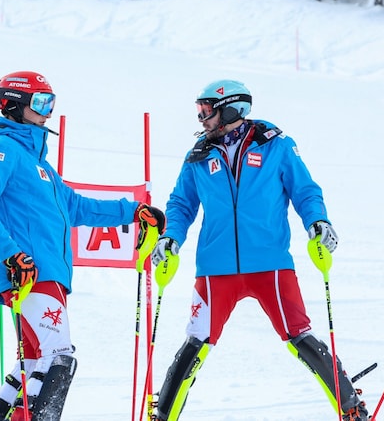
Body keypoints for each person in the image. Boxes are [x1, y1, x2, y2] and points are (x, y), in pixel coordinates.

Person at [150, 79, 369, 421]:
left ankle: (351, 409)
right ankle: (161, 416)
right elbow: (181, 204)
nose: (202, 120)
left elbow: (305, 191)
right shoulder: (198, 155)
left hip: (271, 264)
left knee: (299, 334)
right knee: (195, 343)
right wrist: (171, 237)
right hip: (215, 269)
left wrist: (318, 221)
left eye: (207, 111)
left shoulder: (276, 145)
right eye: (199, 112)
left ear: (231, 110)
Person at [0, 71, 166, 420]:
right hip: (28, 271)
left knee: (35, 359)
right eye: (41, 102)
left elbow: (78, 207)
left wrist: (133, 211)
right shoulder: (2, 148)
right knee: (58, 356)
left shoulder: (39, 164)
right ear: (14, 104)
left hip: (46, 271)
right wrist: (11, 255)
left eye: (51, 103)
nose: (48, 112)